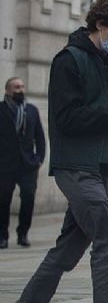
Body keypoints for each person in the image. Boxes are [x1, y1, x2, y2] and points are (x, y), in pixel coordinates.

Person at [2, 0, 108, 303]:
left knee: (69, 248)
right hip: (75, 166)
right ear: (99, 24)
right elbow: (67, 119)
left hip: (101, 165)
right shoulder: (69, 60)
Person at [0, 77, 46, 249]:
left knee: (28, 198)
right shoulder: (1, 109)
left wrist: (39, 158)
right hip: (5, 165)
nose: (20, 90)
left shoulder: (31, 110)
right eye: (16, 87)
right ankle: (2, 236)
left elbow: (40, 138)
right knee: (3, 201)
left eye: (22, 87)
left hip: (28, 165)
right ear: (8, 90)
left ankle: (23, 234)